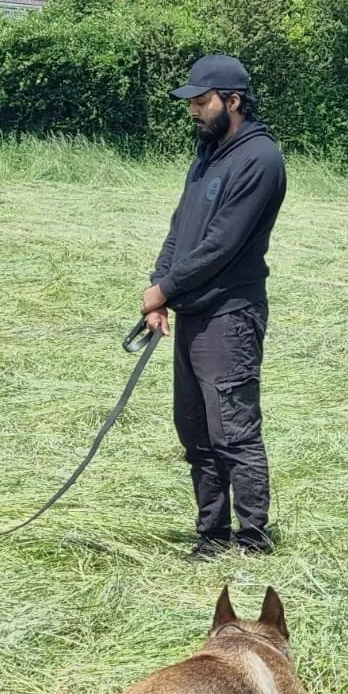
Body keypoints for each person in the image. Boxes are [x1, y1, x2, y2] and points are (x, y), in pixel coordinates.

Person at [142, 55, 288, 559]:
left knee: (234, 431)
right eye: (192, 103)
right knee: (196, 430)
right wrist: (158, 289)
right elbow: (181, 229)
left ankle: (252, 541)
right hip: (191, 313)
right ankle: (211, 536)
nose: (194, 112)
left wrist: (166, 292)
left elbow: (221, 245)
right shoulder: (206, 155)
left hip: (230, 315)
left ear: (233, 101)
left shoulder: (260, 160)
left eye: (202, 102)